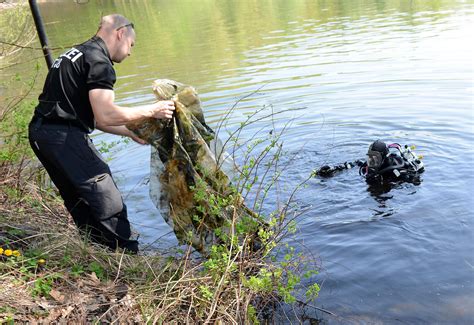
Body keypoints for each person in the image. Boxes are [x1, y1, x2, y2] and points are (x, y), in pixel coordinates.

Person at [28, 14, 175, 253]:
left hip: (41, 134)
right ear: (121, 33)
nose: (130, 52)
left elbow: (92, 117)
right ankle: (128, 256)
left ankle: (97, 253)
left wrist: (129, 132)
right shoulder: (99, 61)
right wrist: (153, 110)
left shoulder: (77, 53)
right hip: (62, 137)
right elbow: (106, 114)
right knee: (105, 195)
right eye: (131, 45)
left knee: (79, 197)